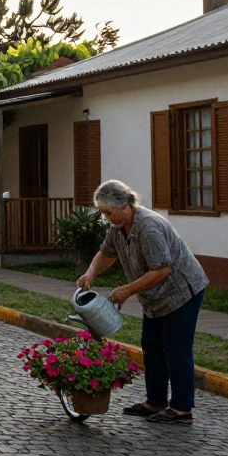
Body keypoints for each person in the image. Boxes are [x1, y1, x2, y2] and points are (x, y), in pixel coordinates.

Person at [77, 179, 209, 425]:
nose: (107, 218)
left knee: (175, 348)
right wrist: (90, 273)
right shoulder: (118, 227)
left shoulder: (148, 227)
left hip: (182, 292)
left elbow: (161, 270)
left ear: (125, 205)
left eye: (109, 212)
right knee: (151, 345)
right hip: (155, 297)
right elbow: (106, 254)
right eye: (103, 213)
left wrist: (126, 290)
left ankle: (182, 409)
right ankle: (155, 402)